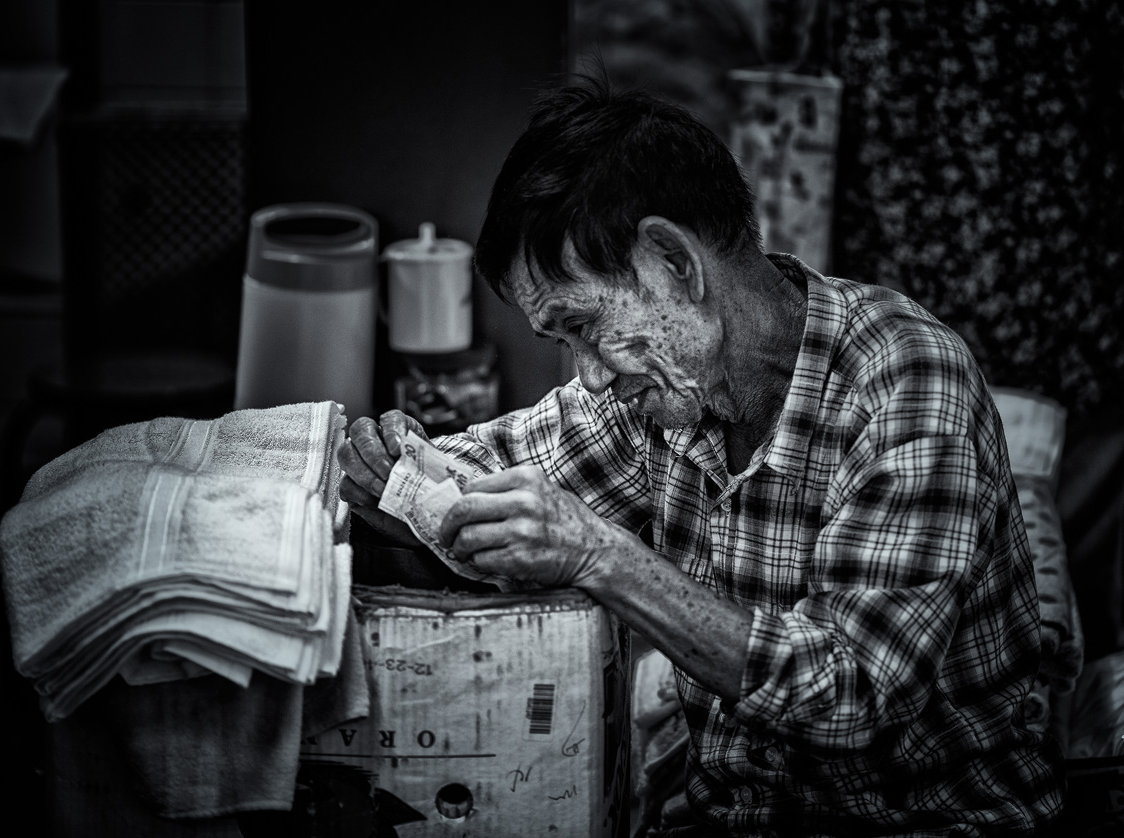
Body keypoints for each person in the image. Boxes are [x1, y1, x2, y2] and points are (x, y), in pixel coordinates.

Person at [337, 75, 1065, 837]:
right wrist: (388, 471)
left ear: (673, 264)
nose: (588, 373)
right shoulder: (662, 388)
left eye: (586, 326)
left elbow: (853, 693)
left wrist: (599, 557)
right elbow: (494, 471)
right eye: (564, 342)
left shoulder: (908, 381)